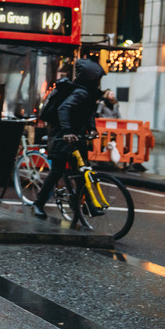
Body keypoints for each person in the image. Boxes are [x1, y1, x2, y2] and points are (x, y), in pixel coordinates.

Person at [32, 58, 105, 218]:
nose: (99, 81)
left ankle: (87, 204)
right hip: (62, 137)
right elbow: (64, 109)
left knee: (82, 172)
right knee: (57, 172)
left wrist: (92, 129)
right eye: (97, 78)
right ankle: (39, 204)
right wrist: (66, 132)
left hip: (76, 136)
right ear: (91, 77)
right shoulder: (80, 92)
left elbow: (89, 114)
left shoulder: (88, 94)